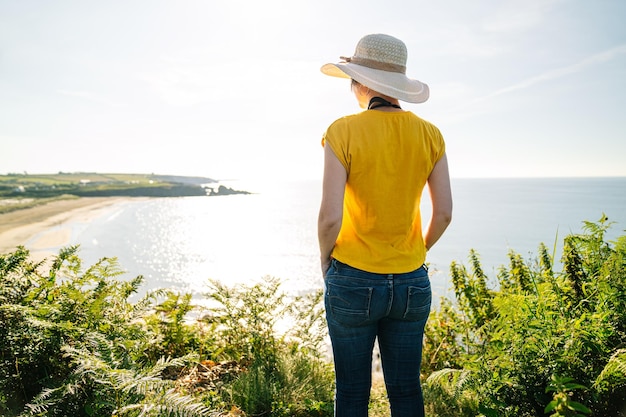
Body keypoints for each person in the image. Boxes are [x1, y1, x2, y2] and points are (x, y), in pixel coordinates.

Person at [317, 33, 453, 417]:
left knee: (352, 392)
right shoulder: (431, 134)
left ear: (360, 83)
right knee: (407, 391)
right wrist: (417, 252)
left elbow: (330, 217)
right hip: (411, 279)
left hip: (353, 278)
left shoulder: (342, 131)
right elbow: (442, 213)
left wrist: (325, 261)